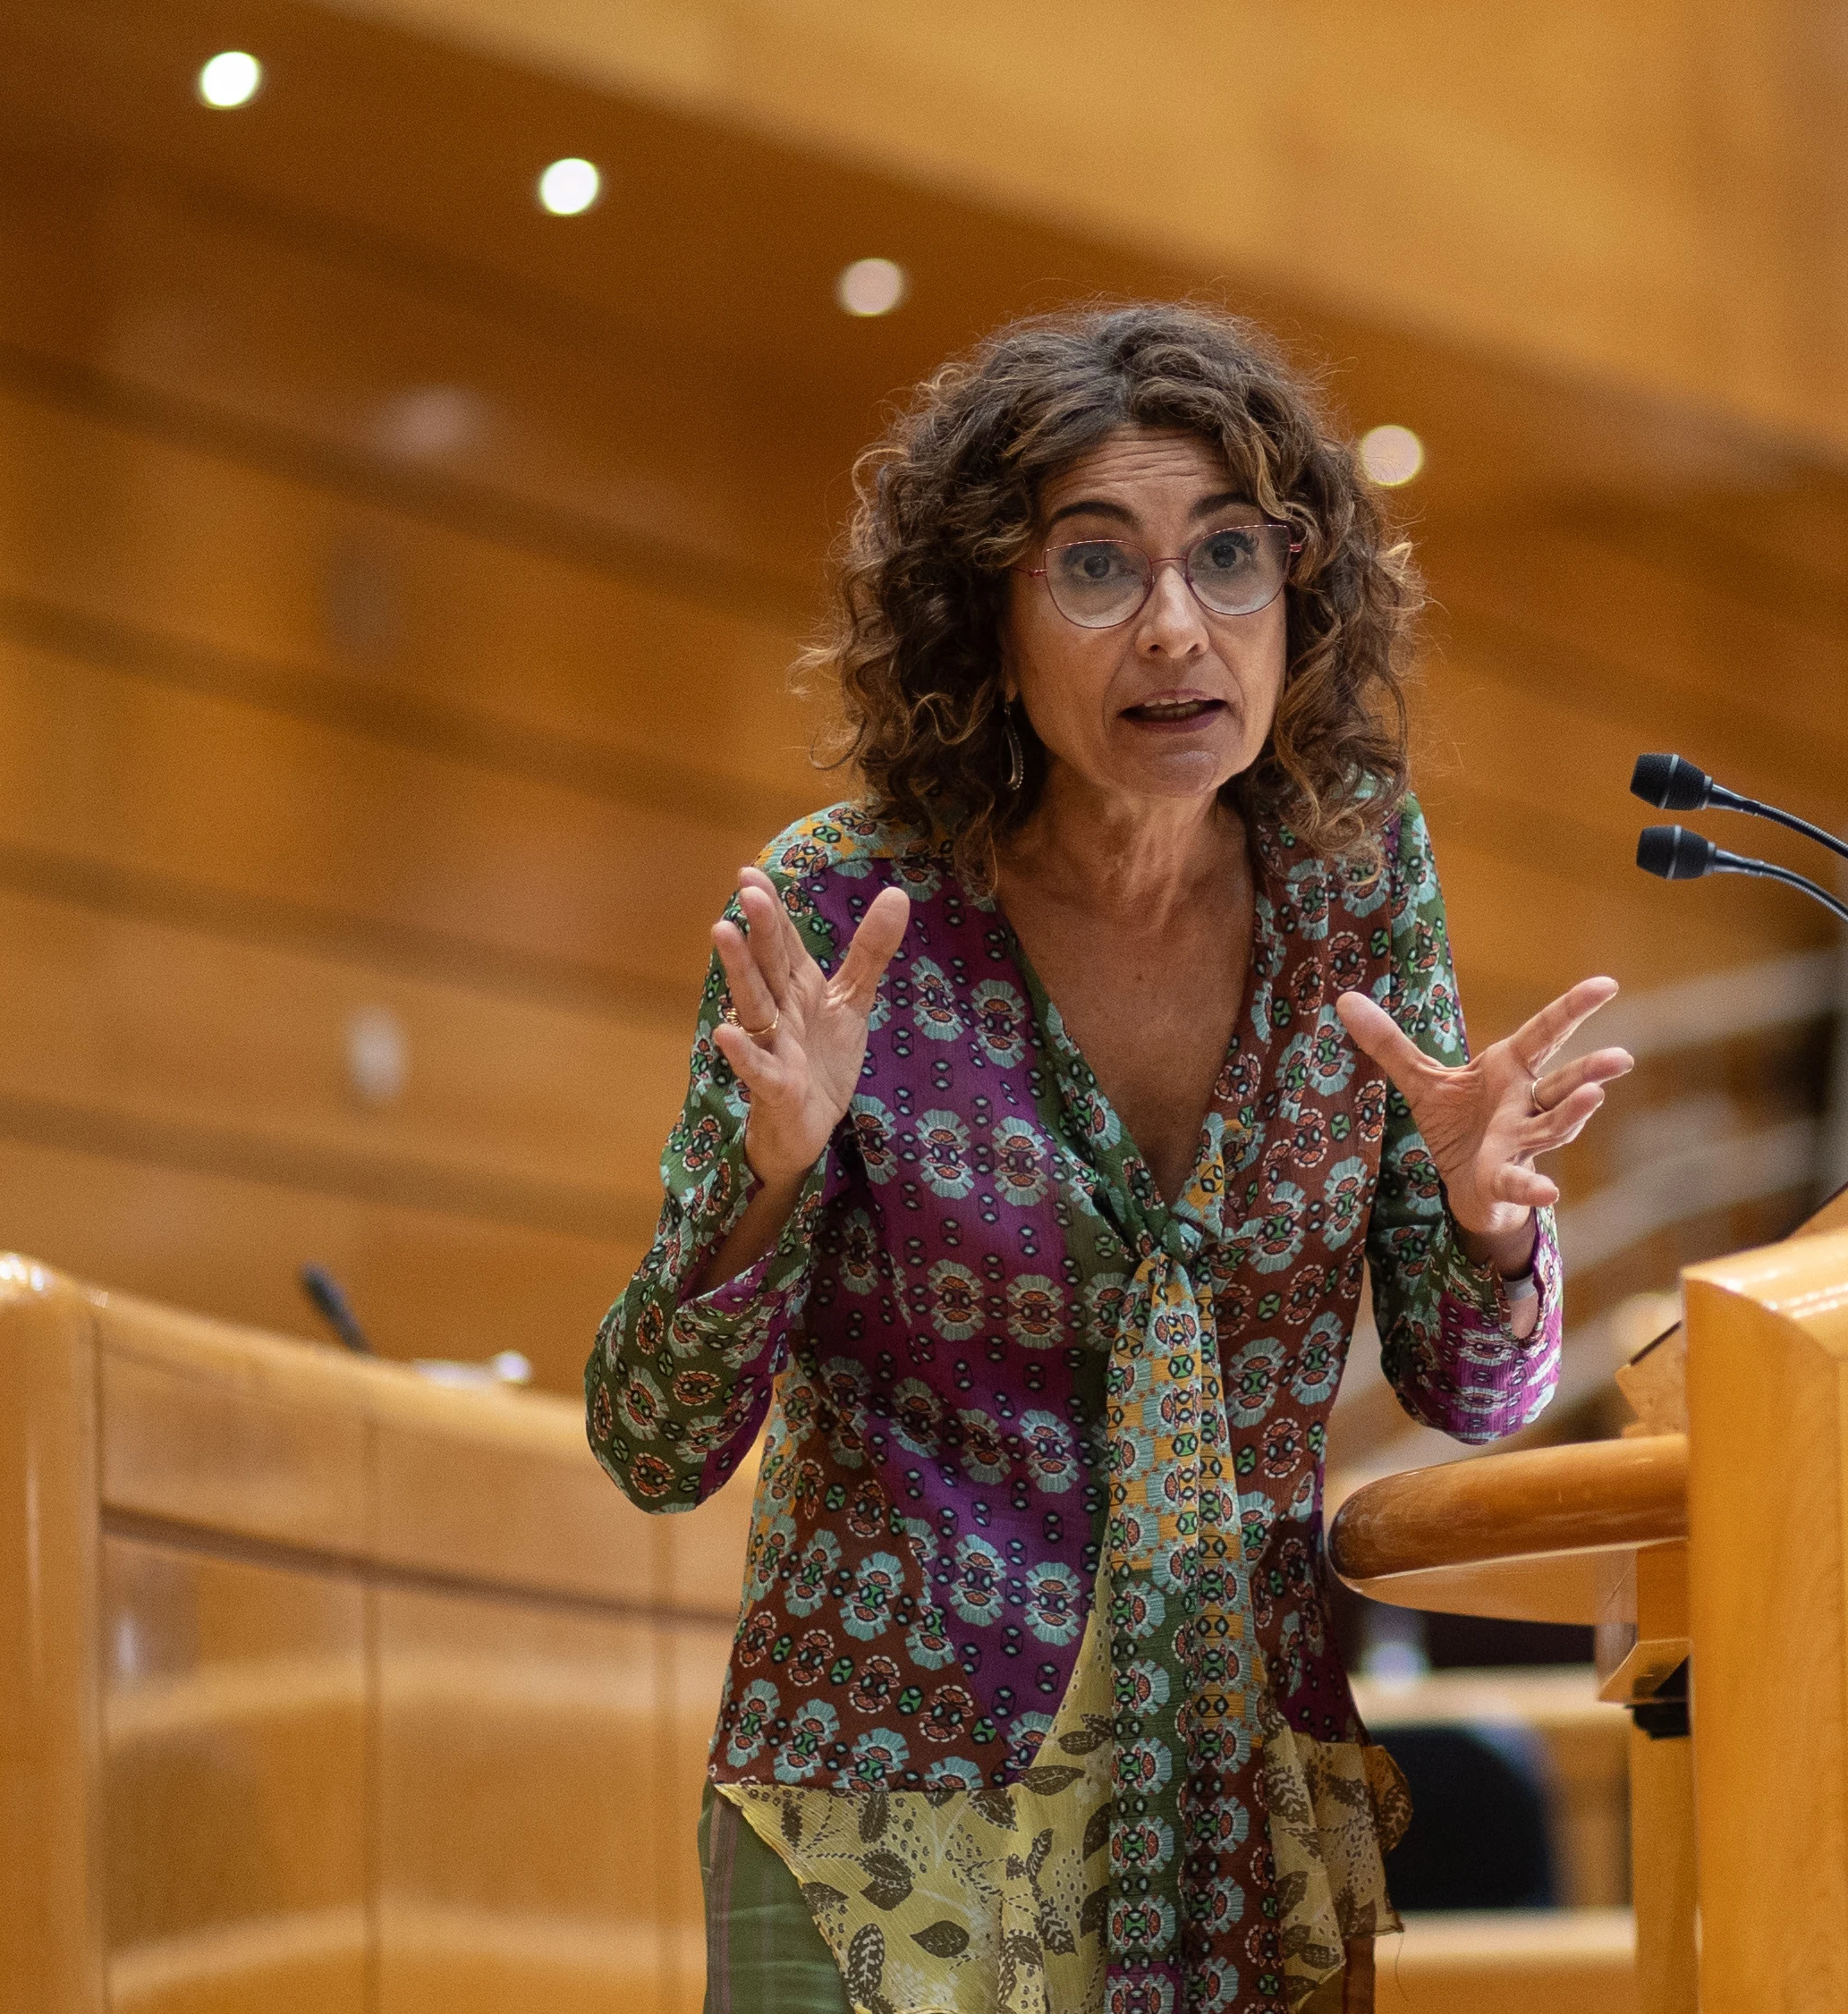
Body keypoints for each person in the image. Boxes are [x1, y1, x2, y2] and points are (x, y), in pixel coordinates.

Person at [584, 307, 1636, 2013]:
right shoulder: (854, 907)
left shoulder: (1350, 886)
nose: (1173, 629)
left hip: (1240, 1815)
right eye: (1094, 566)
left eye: (1229, 558)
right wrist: (770, 1177)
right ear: (987, 621)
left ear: (1301, 605)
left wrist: (1488, 1227)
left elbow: (1474, 1389)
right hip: (882, 1810)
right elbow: (650, 1439)